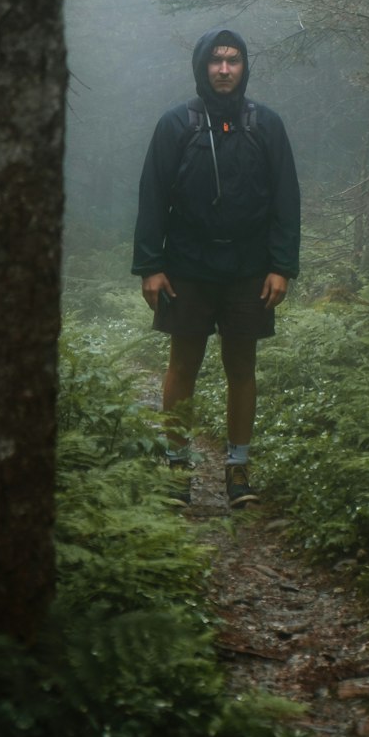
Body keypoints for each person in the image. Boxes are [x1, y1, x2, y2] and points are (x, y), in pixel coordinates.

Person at [132, 27, 301, 507]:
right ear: (202, 66)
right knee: (182, 365)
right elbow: (152, 197)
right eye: (216, 60)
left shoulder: (265, 125)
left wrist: (281, 266)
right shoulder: (176, 124)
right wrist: (150, 265)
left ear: (245, 67)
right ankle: (177, 470)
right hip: (186, 266)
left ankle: (238, 471)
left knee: (241, 366)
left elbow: (286, 200)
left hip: (249, 268)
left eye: (233, 60)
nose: (224, 69)